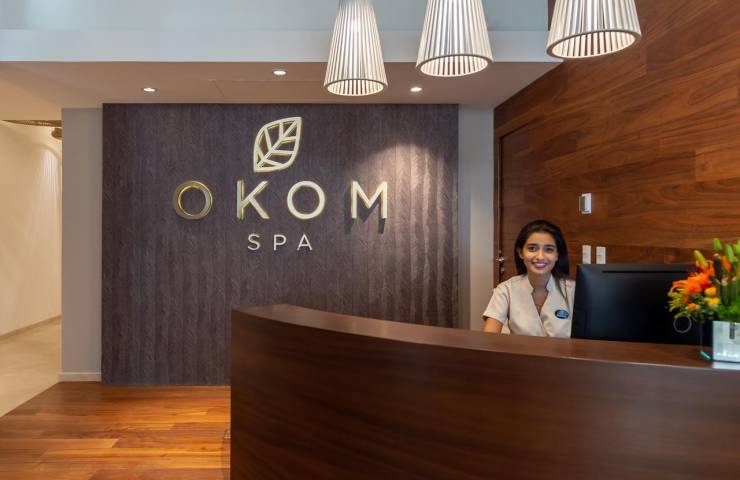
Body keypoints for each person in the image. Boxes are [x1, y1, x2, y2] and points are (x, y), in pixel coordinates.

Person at [483, 220, 575, 337]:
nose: (540, 256)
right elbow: (489, 338)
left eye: (549, 249)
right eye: (532, 248)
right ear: (520, 253)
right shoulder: (505, 290)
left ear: (557, 255)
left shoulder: (573, 290)